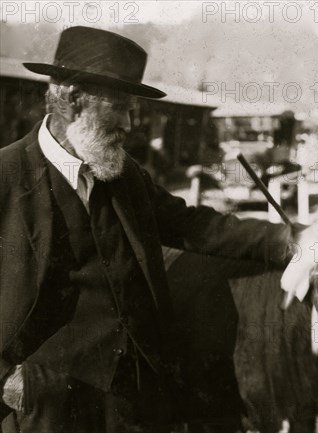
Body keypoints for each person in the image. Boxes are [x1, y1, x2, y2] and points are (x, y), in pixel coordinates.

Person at [0, 26, 294, 433]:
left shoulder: (126, 177)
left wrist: (289, 239)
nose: (129, 123)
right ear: (70, 98)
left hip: (137, 400)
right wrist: (9, 381)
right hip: (47, 409)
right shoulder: (6, 178)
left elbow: (194, 226)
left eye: (131, 108)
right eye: (118, 106)